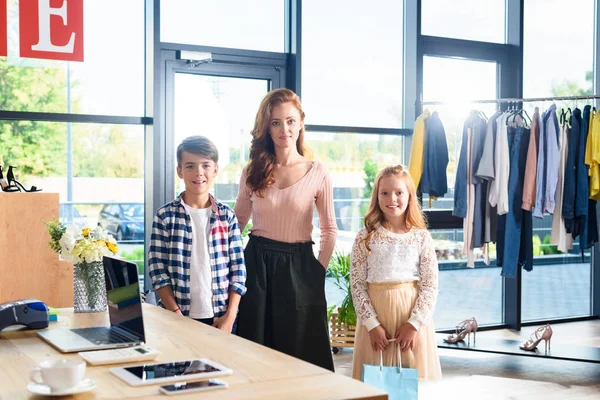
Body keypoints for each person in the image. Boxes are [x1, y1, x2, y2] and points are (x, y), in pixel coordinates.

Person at [234, 88, 337, 371]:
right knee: (254, 351)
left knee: (300, 351)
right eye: (276, 122)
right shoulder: (252, 170)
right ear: (267, 127)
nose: (284, 129)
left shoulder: (318, 171)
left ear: (301, 122)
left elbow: (330, 230)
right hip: (256, 264)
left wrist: (317, 272)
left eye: (290, 121)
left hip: (299, 266)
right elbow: (237, 224)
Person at [350, 165, 442, 380]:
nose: (392, 198)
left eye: (399, 192)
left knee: (410, 379)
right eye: (385, 193)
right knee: (374, 380)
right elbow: (357, 285)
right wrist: (372, 325)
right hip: (375, 319)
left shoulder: (421, 237)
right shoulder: (365, 237)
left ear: (409, 195)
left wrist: (414, 324)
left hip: (410, 319)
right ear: (377, 196)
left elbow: (430, 284)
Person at [148, 136, 247, 333]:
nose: (199, 173)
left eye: (206, 166)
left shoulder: (226, 216)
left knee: (220, 364)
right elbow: (158, 272)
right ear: (180, 171)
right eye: (191, 166)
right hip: (178, 316)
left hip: (221, 318)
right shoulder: (165, 216)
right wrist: (175, 314)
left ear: (215, 170)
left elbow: (238, 270)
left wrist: (230, 316)